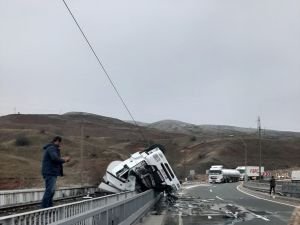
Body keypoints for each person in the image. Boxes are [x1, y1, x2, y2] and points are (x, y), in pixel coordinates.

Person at [41, 136, 70, 208]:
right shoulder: (52, 148)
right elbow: (54, 158)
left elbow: (55, 158)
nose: (60, 144)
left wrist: (62, 159)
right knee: (50, 190)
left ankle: (49, 206)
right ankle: (44, 208)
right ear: (57, 141)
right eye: (60, 142)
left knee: (52, 190)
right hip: (50, 172)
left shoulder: (53, 148)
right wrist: (64, 160)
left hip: (52, 172)